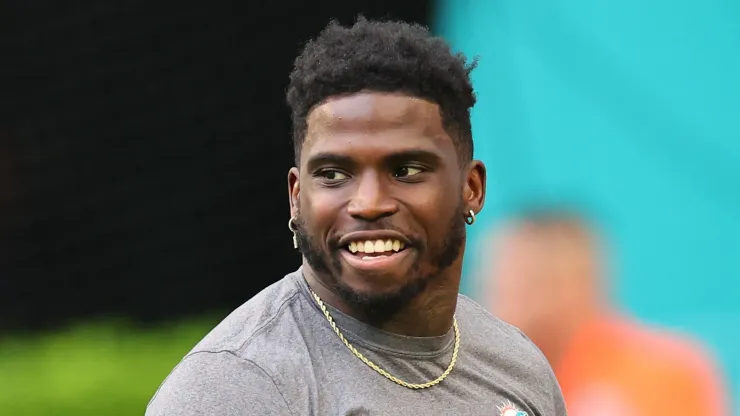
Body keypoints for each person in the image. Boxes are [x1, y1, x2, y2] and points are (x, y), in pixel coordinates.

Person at [146, 18, 566, 416]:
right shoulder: (237, 387)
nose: (367, 203)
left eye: (406, 170)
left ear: (470, 188)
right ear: (296, 197)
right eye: (333, 174)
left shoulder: (517, 368)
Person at [483, 210, 728, 416]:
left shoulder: (663, 374)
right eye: (495, 282)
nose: (496, 298)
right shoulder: (486, 375)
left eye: (519, 282)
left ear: (574, 284)